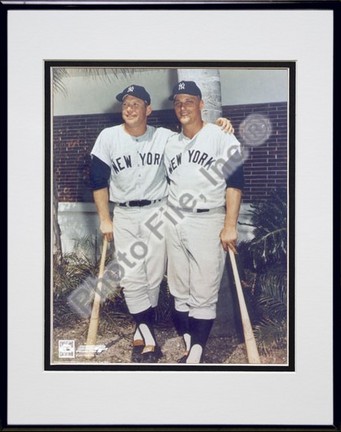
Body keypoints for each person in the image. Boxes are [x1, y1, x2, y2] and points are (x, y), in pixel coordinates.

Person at [89, 84, 234, 363]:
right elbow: (97, 182)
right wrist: (105, 219)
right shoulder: (108, 137)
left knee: (154, 277)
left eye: (135, 104)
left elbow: (195, 135)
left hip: (159, 212)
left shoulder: (164, 137)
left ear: (148, 109)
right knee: (131, 275)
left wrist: (221, 125)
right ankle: (148, 335)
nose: (129, 109)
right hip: (126, 214)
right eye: (125, 104)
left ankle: (142, 328)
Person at [164, 81, 244, 364]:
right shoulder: (169, 142)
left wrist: (230, 225)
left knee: (204, 291)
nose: (182, 107)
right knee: (178, 290)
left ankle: (196, 355)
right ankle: (190, 344)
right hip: (173, 219)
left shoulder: (221, 136)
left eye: (189, 101)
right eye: (178, 102)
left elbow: (234, 182)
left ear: (201, 104)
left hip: (208, 219)